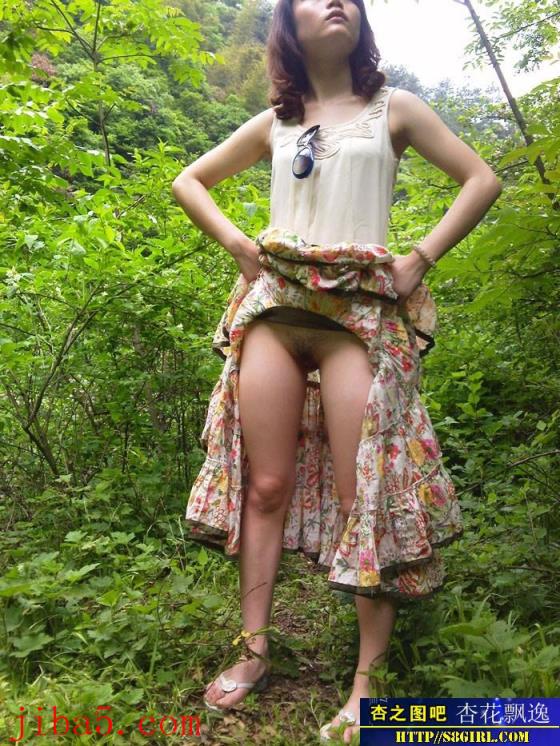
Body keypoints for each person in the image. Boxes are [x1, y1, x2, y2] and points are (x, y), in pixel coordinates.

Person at [172, 0, 502, 742]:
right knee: (264, 487)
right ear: (287, 25)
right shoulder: (277, 122)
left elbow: (481, 179)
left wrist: (419, 259)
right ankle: (253, 651)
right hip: (276, 316)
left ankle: (366, 682)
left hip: (357, 321)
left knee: (365, 495)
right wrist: (239, 245)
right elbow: (189, 181)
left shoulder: (395, 109)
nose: (338, 3)